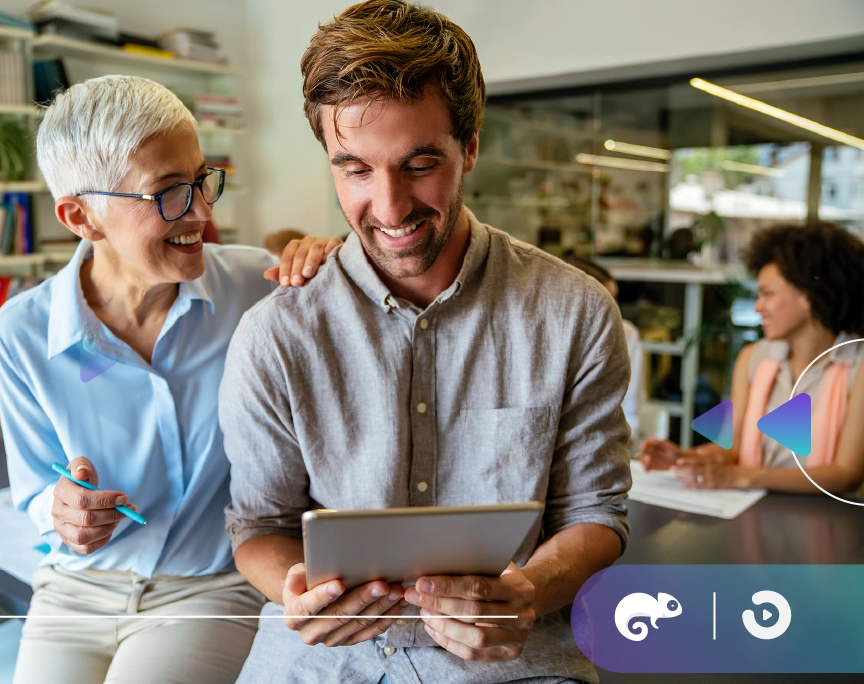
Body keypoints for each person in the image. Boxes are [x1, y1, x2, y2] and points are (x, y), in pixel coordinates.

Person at [218, 2, 632, 682]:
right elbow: (258, 525)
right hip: (321, 661)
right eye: (354, 168)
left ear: (468, 148)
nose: (388, 208)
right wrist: (296, 586)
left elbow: (595, 512)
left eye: (418, 164)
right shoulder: (276, 333)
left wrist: (528, 590)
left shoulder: (573, 312)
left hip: (511, 661)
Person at [0, 75, 339, 684]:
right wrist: (61, 509)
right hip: (74, 591)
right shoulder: (20, 331)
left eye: (202, 180)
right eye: (169, 193)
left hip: (206, 591)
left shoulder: (259, 289)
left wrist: (330, 262)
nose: (203, 213)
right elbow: (33, 487)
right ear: (81, 216)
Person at [640, 221, 864, 494]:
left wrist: (742, 477)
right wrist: (686, 459)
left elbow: (846, 474)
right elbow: (733, 448)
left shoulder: (858, 366)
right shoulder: (753, 359)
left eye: (767, 294)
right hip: (749, 513)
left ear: (809, 296)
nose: (758, 307)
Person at [562, 255, 646, 446]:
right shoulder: (551, 341)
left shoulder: (627, 335)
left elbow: (631, 413)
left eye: (615, 299)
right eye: (605, 301)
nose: (614, 309)